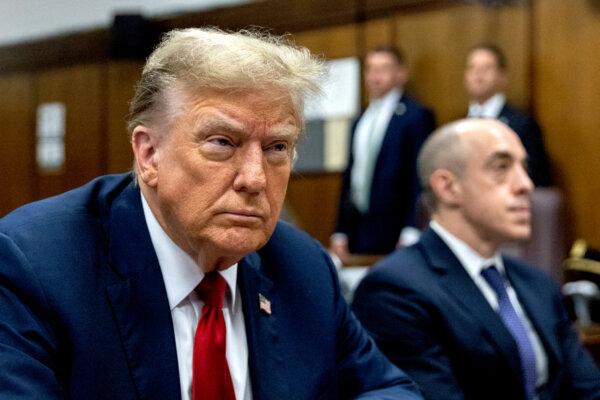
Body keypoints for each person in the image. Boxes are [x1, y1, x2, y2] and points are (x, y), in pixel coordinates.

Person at [0, 28, 422, 400]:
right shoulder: (36, 264)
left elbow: (387, 389)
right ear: (149, 154)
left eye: (277, 148)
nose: (255, 178)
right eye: (222, 142)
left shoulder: (302, 266)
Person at [353, 119, 600, 400]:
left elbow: (589, 389)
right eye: (502, 167)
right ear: (447, 187)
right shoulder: (394, 291)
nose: (526, 184)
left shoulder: (538, 284)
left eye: (524, 167)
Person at [331, 45, 435, 258]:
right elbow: (351, 176)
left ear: (401, 73)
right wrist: (340, 231)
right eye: (370, 69)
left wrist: (412, 228)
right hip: (359, 230)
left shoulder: (415, 116)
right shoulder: (360, 119)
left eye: (383, 68)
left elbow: (419, 176)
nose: (375, 75)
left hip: (397, 230)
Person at [464, 43, 552, 187]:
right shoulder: (458, 125)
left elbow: (535, 176)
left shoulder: (522, 124)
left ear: (502, 76)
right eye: (472, 68)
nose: (477, 74)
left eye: (486, 68)